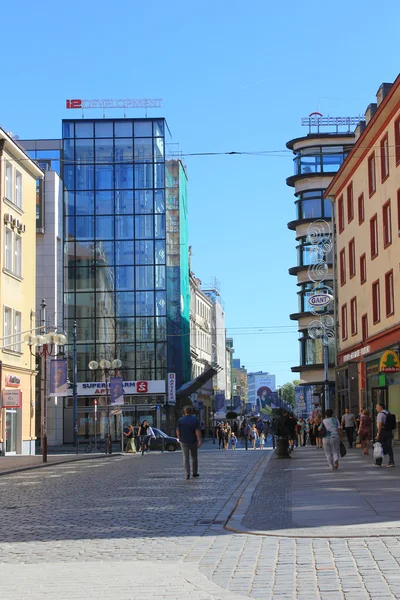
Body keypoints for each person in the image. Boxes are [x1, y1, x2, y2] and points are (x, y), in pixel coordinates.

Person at [176, 406, 202, 479]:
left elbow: (178, 430)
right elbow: (197, 431)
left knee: (185, 457)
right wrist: (199, 440)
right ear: (191, 412)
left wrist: (179, 438)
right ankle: (194, 472)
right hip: (193, 441)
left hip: (183, 441)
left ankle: (187, 474)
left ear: (185, 412)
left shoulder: (180, 420)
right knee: (194, 457)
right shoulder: (194, 420)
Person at [374, 403, 395, 467]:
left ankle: (378, 462)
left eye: (377, 407)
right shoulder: (388, 413)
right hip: (389, 432)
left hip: (383, 432)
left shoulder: (380, 414)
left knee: (379, 446)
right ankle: (391, 461)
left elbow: (380, 424)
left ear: (380, 407)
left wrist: (378, 434)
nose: (376, 408)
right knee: (389, 446)